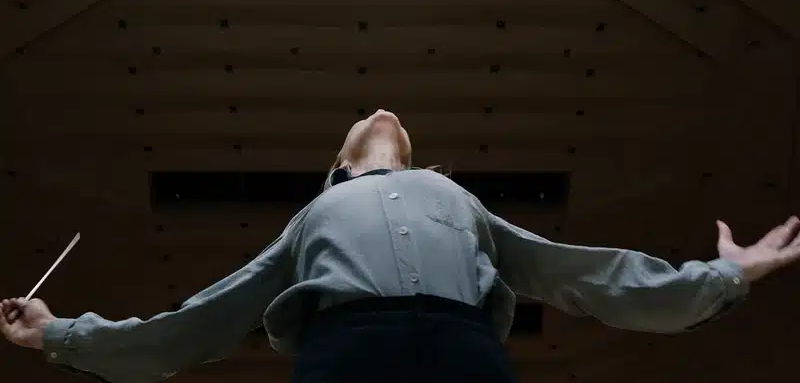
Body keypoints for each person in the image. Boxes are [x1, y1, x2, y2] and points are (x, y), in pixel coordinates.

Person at [2, 108, 799, 383]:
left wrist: (722, 277)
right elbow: (197, 322)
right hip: (346, 352)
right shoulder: (312, 219)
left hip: (465, 351)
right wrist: (59, 334)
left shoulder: (461, 202)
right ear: (338, 166)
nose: (383, 108)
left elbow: (582, 275)